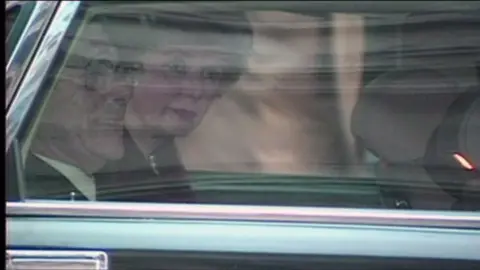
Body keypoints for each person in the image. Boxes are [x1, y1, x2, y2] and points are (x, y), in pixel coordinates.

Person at [24, 11, 252, 202]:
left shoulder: (163, 162)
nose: (196, 90)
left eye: (213, 75)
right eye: (176, 68)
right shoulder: (104, 170)